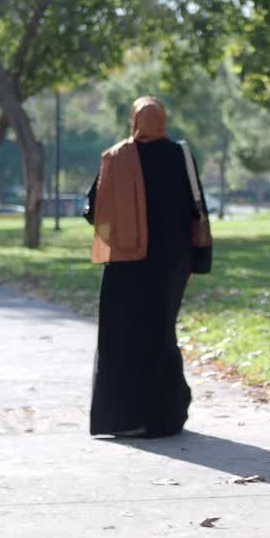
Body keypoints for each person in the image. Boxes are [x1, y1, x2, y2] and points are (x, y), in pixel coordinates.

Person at [84, 97, 211, 438]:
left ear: (133, 121)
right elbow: (195, 207)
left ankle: (121, 419)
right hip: (171, 264)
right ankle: (163, 418)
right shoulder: (179, 156)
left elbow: (94, 209)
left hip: (126, 264)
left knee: (121, 336)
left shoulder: (117, 157)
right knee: (159, 333)